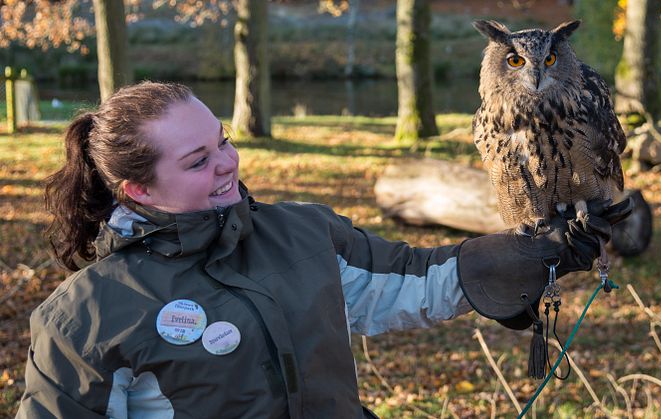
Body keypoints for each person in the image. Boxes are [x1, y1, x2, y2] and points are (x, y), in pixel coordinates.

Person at [16, 82, 630, 418]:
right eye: (199, 160)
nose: (228, 162)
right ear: (137, 188)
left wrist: (532, 252)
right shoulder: (85, 315)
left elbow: (413, 280)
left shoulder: (300, 233)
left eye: (223, 141)